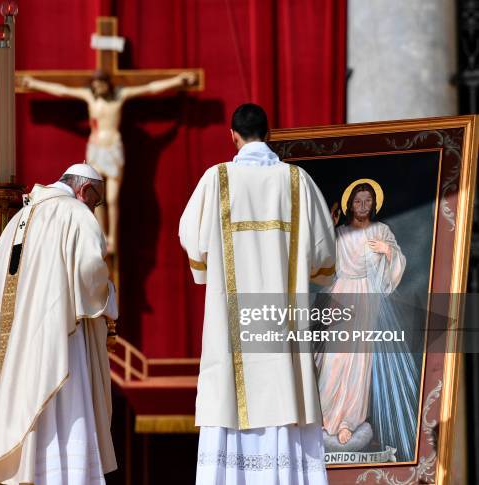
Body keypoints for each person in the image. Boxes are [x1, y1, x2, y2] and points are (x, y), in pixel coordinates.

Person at [179, 103, 336, 484]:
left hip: (231, 330)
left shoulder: (216, 180)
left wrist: (205, 269)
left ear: (232, 135)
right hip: (281, 334)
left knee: (230, 401)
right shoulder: (297, 181)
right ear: (269, 134)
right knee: (286, 397)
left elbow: (190, 239)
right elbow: (324, 254)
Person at [0, 163, 118, 484]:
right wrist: (109, 295)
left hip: (15, 345)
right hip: (57, 343)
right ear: (85, 191)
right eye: (95, 203)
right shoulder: (75, 214)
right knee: (62, 416)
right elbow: (90, 273)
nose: (94, 210)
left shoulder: (16, 221)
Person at [20, 70, 197, 254]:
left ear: (107, 84)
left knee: (112, 198)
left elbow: (150, 89)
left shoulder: (120, 96)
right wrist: (34, 84)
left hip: (113, 149)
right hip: (96, 149)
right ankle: (102, 234)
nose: (97, 88)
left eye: (101, 84)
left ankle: (113, 237)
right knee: (98, 197)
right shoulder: (89, 97)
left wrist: (177, 81)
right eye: (95, 85)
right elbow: (61, 90)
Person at [315, 180, 419, 462]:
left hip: (366, 297)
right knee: (333, 360)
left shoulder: (381, 231)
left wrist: (388, 250)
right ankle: (327, 417)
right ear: (350, 204)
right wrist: (328, 229)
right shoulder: (339, 233)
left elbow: (397, 261)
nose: (362, 206)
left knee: (358, 361)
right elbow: (322, 262)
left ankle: (349, 420)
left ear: (374, 204)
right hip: (340, 295)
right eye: (358, 201)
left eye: (367, 201)